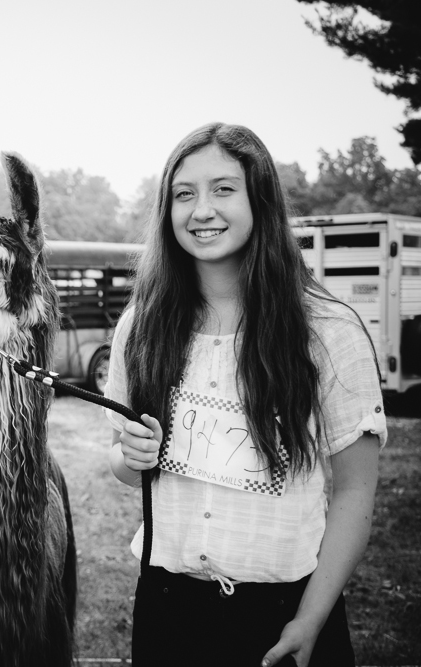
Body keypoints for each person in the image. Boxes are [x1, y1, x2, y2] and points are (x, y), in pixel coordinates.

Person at [105, 122, 385, 667]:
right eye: (184, 194)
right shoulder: (140, 326)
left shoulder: (328, 330)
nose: (201, 210)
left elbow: (355, 492)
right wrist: (130, 456)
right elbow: (122, 459)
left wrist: (310, 620)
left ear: (260, 199)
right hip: (167, 604)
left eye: (223, 189)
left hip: (282, 610)